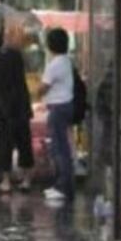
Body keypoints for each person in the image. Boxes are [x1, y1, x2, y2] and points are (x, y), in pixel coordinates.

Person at [0, 27, 34, 193]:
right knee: (24, 144)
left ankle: (6, 182)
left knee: (4, 146)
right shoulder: (15, 55)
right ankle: (26, 181)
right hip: (22, 107)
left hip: (5, 110)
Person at [39, 27, 75, 204]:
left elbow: (42, 88)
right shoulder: (66, 61)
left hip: (58, 109)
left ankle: (63, 186)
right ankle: (63, 184)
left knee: (59, 148)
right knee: (62, 147)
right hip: (66, 106)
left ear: (50, 44)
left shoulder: (54, 65)